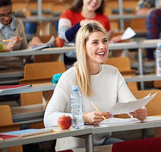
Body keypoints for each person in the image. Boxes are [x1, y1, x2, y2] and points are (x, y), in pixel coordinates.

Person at [44, 21, 147, 151]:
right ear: (83, 47)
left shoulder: (113, 73)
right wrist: (83, 118)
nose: (102, 46)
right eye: (95, 42)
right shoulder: (69, 77)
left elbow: (130, 103)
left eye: (105, 41)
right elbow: (48, 118)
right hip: (73, 147)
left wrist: (139, 111)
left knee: (127, 148)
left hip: (101, 141)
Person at [0, 0, 42, 71]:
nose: (7, 18)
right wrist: (5, 48)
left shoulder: (18, 23)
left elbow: (26, 53)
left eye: (9, 13)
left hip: (19, 71)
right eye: (1, 15)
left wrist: (34, 45)